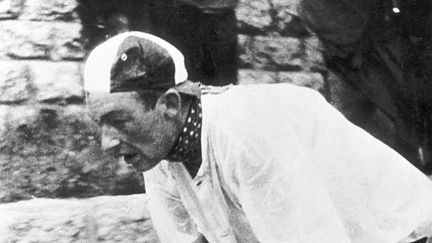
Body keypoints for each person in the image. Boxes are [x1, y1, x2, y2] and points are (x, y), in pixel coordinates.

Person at [83, 31, 432, 243]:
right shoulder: (157, 153)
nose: (108, 142)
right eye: (101, 125)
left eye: (119, 120)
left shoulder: (245, 133)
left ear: (170, 105)